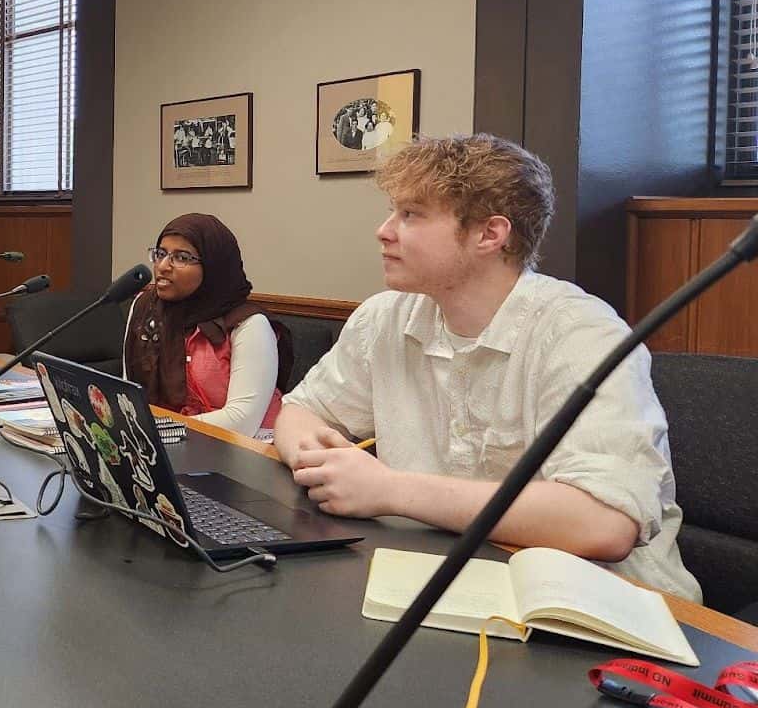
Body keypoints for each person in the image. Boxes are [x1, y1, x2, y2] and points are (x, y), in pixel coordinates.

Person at [273, 134, 699, 600]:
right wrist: (320, 464)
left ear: (489, 235)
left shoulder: (582, 333)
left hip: (599, 605)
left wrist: (390, 490)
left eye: (411, 214)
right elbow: (300, 412)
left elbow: (604, 523)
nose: (384, 230)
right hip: (444, 578)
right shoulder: (385, 317)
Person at [123, 213, 291, 436]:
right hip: (165, 441)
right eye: (160, 254)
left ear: (213, 266)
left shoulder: (250, 324)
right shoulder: (146, 307)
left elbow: (242, 421)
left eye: (181, 257)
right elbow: (128, 391)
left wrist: (156, 429)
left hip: (242, 447)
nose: (162, 266)